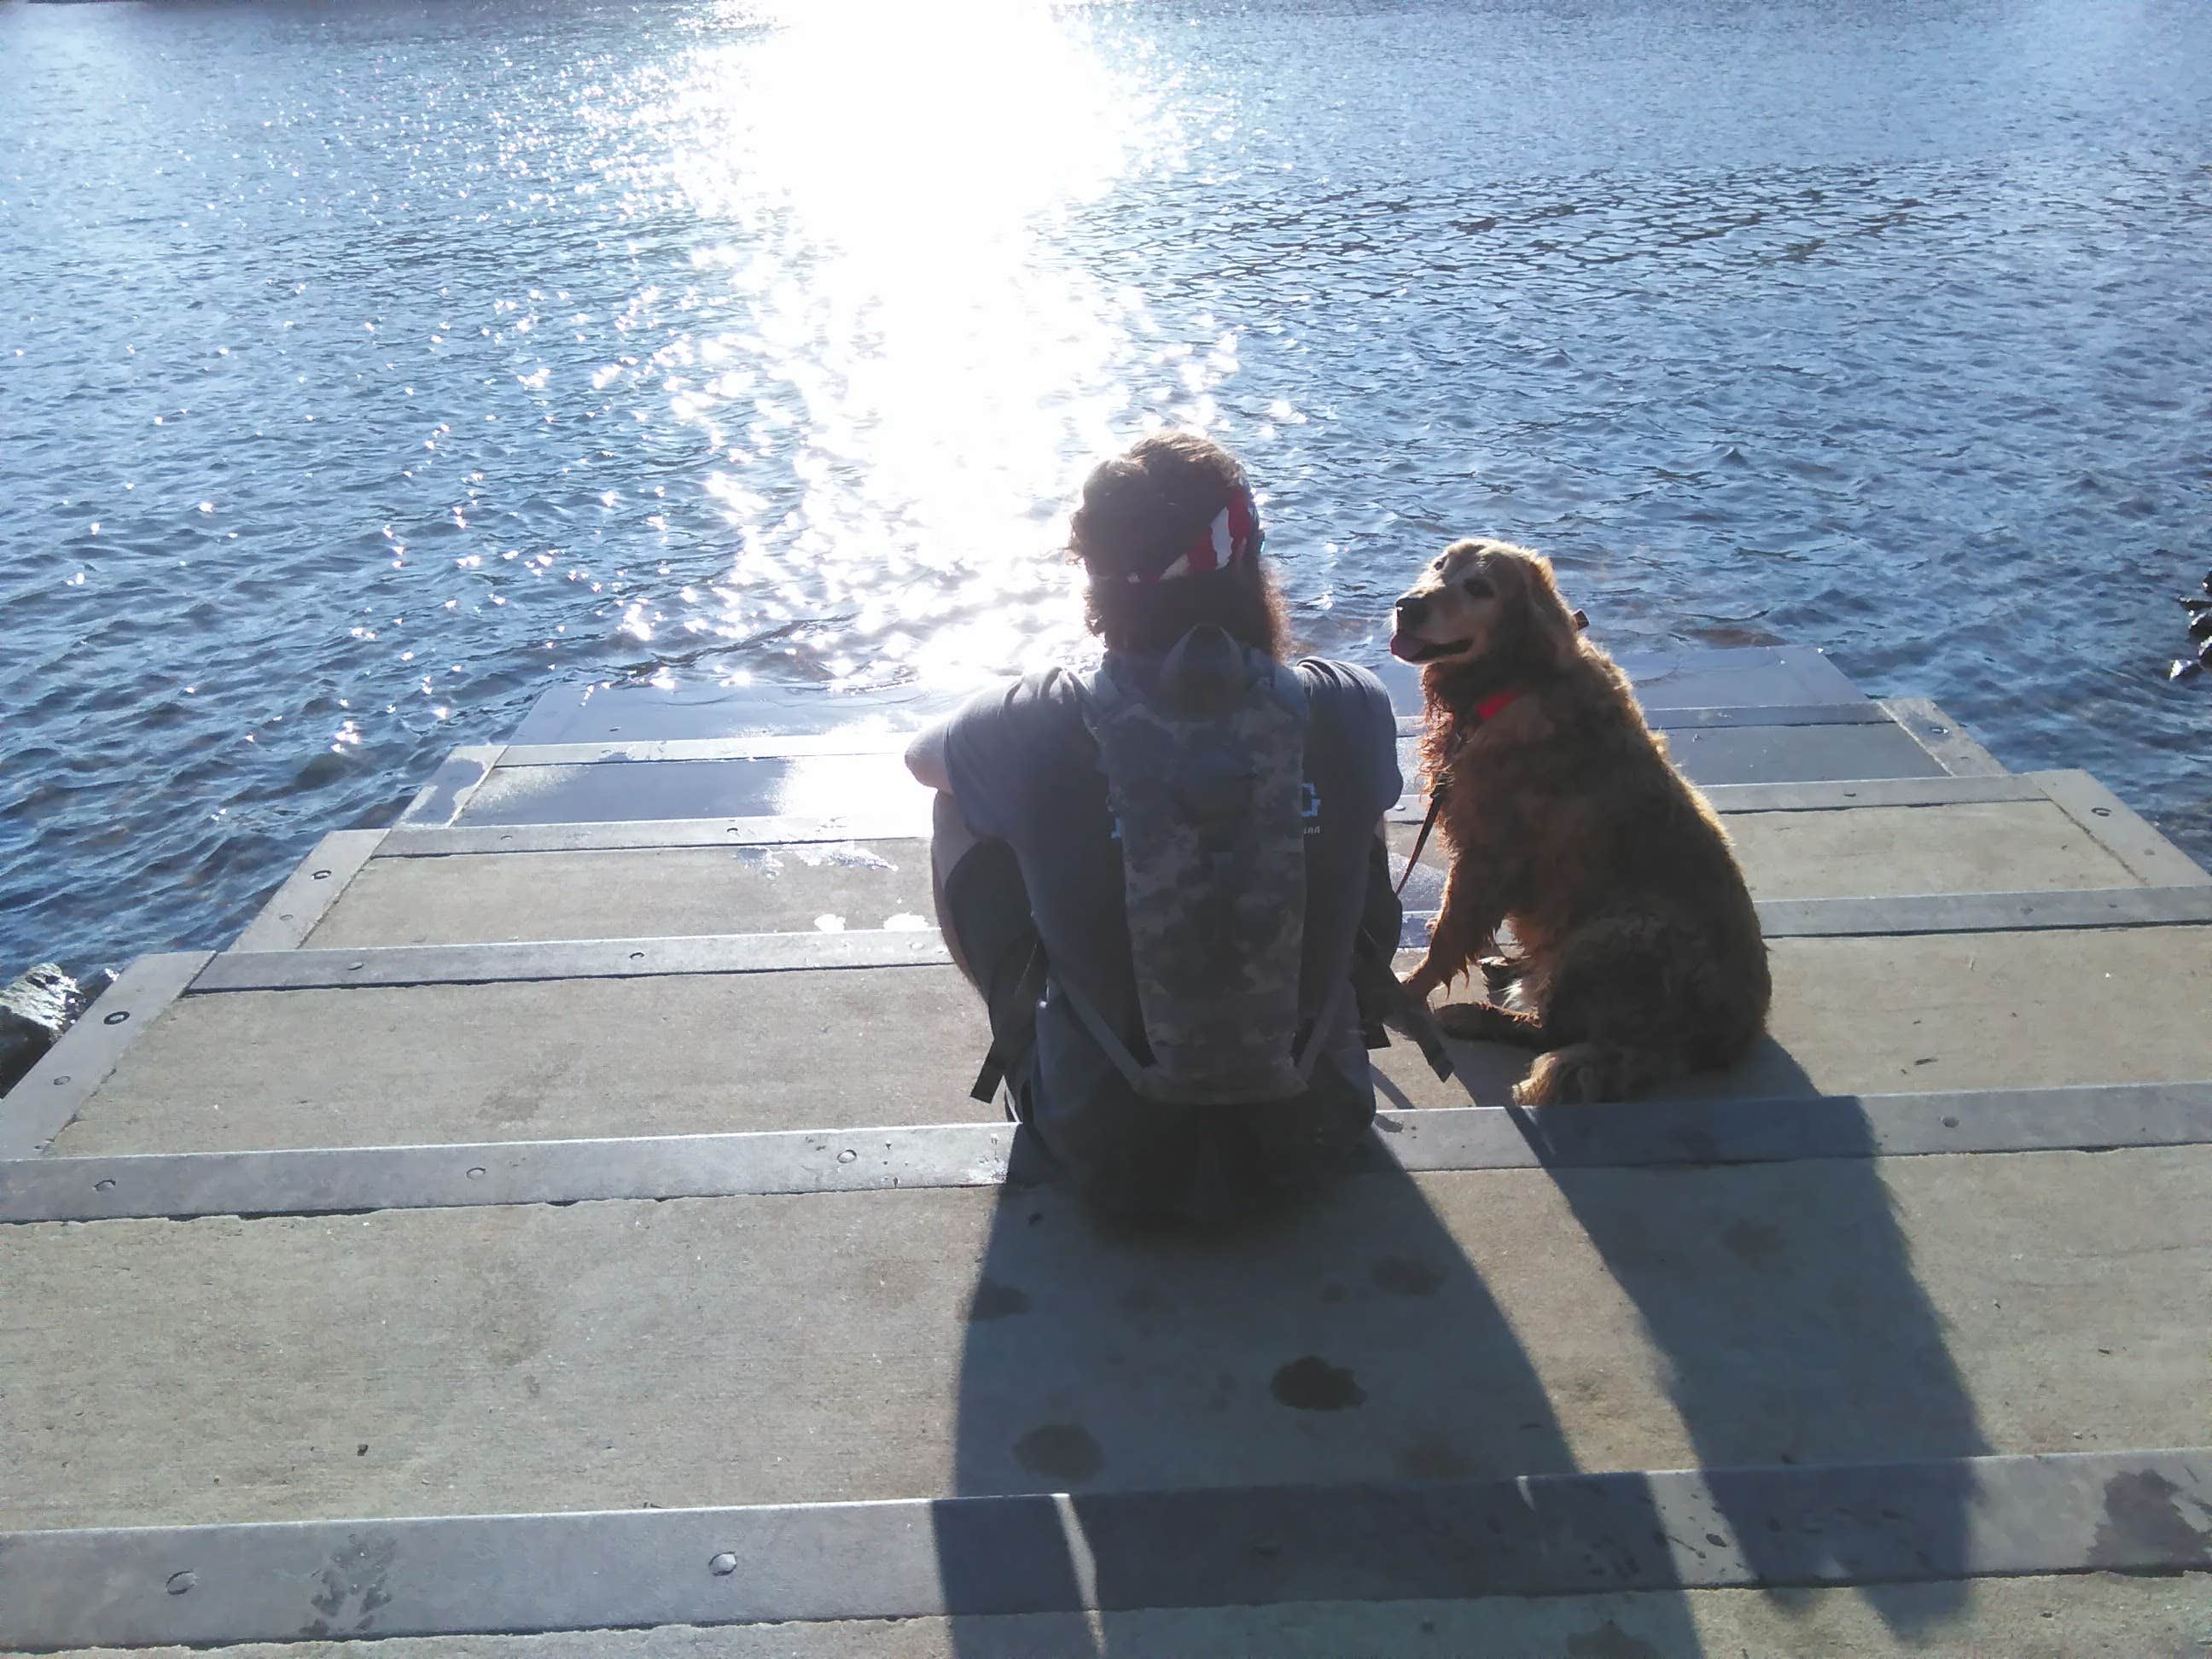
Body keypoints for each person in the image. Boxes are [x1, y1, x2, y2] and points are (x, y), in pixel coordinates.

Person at [905, 432, 1412, 1221]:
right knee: (1360, 793)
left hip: (1107, 1148)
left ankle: (1045, 1044)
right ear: (1249, 562)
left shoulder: (1041, 717)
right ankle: (1330, 1036)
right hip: (1315, 1135)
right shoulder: (1347, 700)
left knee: (960, 805)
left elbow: (919, 758)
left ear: (1096, 577)